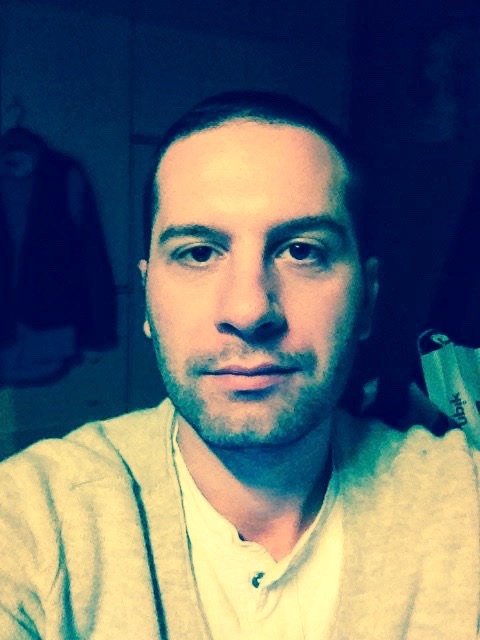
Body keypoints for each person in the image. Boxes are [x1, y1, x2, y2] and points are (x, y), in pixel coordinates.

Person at [0, 91, 478, 640]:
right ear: (148, 299)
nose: (249, 312)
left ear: (367, 300)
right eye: (199, 253)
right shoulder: (33, 521)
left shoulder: (461, 501)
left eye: (302, 251)